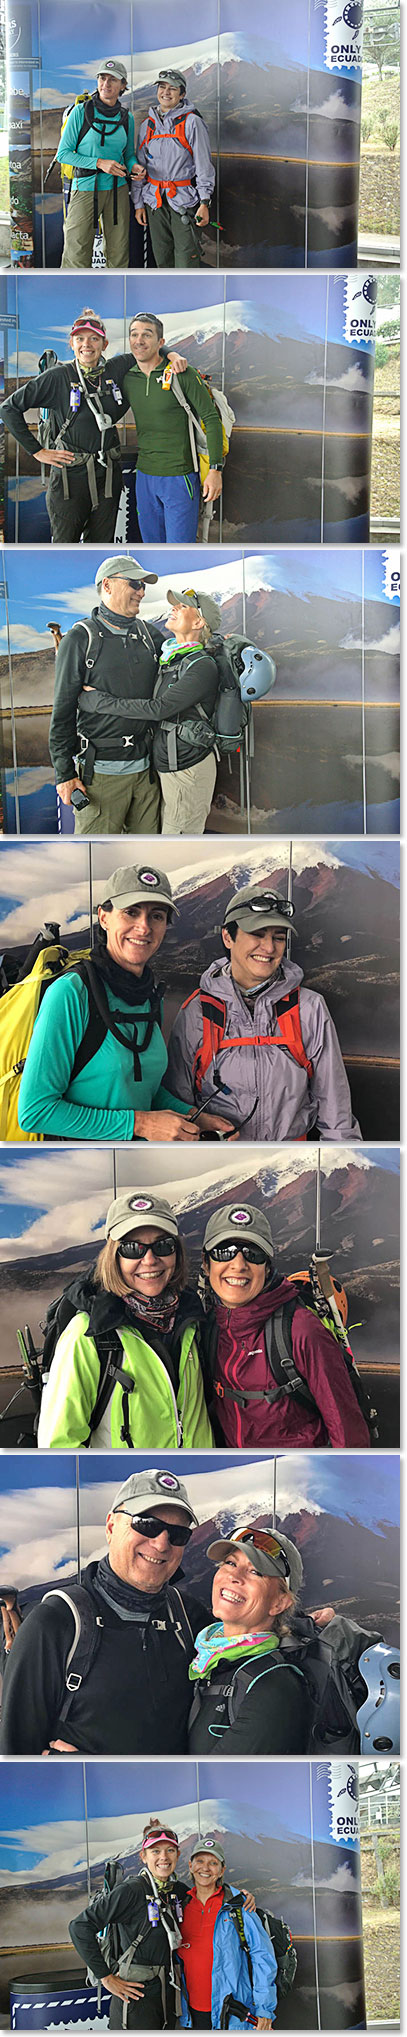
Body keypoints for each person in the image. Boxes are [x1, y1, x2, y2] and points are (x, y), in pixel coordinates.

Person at [17, 862, 232, 1145]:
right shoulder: (72, 993)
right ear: (104, 918)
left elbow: (144, 1090)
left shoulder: (149, 994)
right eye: (131, 912)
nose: (143, 927)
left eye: (156, 916)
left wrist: (192, 1116)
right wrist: (140, 1124)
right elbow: (35, 1111)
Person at [0, 1470, 209, 1757]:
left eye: (178, 1534)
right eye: (145, 1524)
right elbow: (15, 1757)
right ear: (111, 1526)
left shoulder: (189, 1618)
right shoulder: (55, 1624)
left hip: (173, 1800)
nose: (162, 1543)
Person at [166, 880, 362, 1142]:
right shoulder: (197, 1011)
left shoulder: (309, 1008)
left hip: (289, 1163)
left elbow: (336, 1112)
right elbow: (177, 1113)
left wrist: (338, 1163)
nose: (269, 948)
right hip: (223, 1163)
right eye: (257, 934)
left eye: (278, 937)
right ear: (227, 936)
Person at [37, 1190, 213, 1450]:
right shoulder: (87, 1335)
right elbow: (58, 1447)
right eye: (132, 1248)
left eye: (163, 1246)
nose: (150, 1260)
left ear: (177, 1254)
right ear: (113, 1257)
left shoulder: (193, 1319)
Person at [0, 310, 187, 545]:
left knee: (101, 544)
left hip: (107, 477)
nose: (86, 345)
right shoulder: (58, 377)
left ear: (104, 343)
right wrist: (37, 451)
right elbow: (8, 408)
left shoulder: (116, 369)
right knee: (64, 545)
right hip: (70, 478)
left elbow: (151, 349)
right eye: (80, 338)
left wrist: (173, 355)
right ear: (71, 343)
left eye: (94, 339)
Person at [199, 1201, 370, 1449]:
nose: (238, 1264)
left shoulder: (301, 1330)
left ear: (267, 1267)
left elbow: (347, 1431)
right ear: (206, 1263)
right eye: (224, 1251)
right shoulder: (208, 1325)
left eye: (253, 1253)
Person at [69, 1820, 257, 2032]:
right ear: (143, 1856)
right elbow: (79, 1926)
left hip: (166, 1993)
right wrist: (106, 1977)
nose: (163, 1857)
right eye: (155, 1851)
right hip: (135, 1995)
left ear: (178, 1855)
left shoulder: (177, 1891)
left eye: (169, 1850)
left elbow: (209, 1892)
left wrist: (240, 1897)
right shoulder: (131, 1890)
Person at [48, 554, 165, 837]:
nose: (142, 590)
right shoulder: (79, 639)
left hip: (147, 777)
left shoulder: (151, 635)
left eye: (144, 585)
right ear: (108, 585)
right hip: (99, 779)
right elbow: (62, 710)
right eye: (135, 583)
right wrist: (64, 773)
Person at [187, 1525, 312, 1756]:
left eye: (255, 1572)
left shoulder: (274, 1688)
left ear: (279, 1603)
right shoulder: (204, 1656)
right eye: (230, 1563)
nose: (234, 1576)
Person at [111, 312, 223, 542]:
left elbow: (211, 419)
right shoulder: (128, 378)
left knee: (180, 548)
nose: (139, 340)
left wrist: (215, 470)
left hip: (179, 478)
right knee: (152, 547)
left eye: (147, 335)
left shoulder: (183, 374)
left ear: (160, 342)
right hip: (144, 478)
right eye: (134, 335)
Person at [178, 1838, 277, 2031]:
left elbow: (262, 1956)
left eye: (213, 1863)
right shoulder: (180, 1906)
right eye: (200, 1861)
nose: (205, 1868)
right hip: (190, 2015)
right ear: (190, 1866)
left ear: (222, 1870)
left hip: (232, 2014)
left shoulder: (239, 1907)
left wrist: (264, 2009)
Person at [56, 59, 144, 271]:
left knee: (119, 252)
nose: (106, 83)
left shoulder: (126, 117)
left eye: (112, 80)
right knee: (76, 253)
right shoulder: (81, 112)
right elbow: (63, 154)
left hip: (118, 190)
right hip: (85, 189)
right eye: (102, 78)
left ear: (123, 85)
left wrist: (134, 166)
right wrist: (99, 163)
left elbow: (128, 154)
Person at [134, 69, 215, 271]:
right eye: (162, 87)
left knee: (186, 261)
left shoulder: (192, 123)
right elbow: (140, 168)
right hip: (154, 203)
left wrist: (204, 202)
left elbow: (204, 164)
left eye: (173, 88)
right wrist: (138, 203)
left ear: (182, 94)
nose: (166, 92)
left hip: (184, 202)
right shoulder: (147, 126)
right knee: (162, 260)